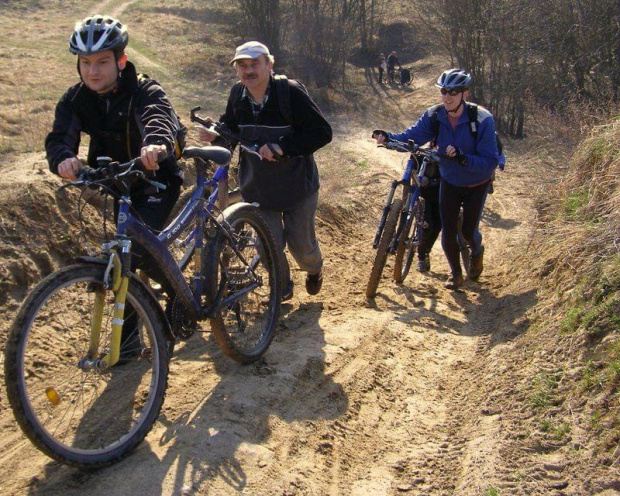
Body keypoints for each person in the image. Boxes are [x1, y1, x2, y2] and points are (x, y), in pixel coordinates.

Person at [46, 15, 185, 357]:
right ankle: (137, 331)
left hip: (156, 178)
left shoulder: (144, 90)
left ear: (120, 61)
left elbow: (157, 116)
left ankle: (167, 312)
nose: (93, 71)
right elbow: (60, 137)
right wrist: (64, 158)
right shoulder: (76, 98)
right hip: (117, 183)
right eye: (86, 63)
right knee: (128, 252)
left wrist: (154, 145)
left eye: (103, 62)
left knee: (136, 252)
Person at [198, 41, 332, 300]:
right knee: (267, 244)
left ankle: (314, 270)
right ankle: (282, 287)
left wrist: (282, 147)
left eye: (254, 64)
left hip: (298, 188)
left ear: (269, 65)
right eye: (242, 66)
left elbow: (322, 132)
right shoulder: (238, 94)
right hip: (258, 187)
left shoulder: (290, 93)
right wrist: (216, 134)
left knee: (302, 249)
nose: (248, 71)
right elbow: (233, 130)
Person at [373, 69, 499, 289]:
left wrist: (462, 158)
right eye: (443, 91)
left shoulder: (481, 119)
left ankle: (477, 252)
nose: (447, 97)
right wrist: (389, 138)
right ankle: (456, 274)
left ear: (464, 94)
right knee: (448, 230)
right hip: (449, 180)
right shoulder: (434, 115)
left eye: (453, 92)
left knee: (469, 231)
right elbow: (413, 135)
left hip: (476, 182)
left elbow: (490, 161)